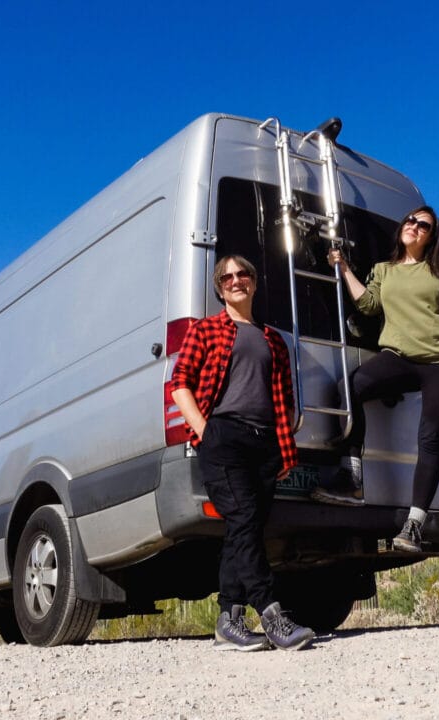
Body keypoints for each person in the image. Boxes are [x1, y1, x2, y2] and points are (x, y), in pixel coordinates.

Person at [311, 206, 439, 552]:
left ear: (431, 236)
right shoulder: (385, 270)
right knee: (351, 387)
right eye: (410, 221)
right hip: (400, 357)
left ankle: (413, 524)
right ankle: (351, 475)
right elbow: (368, 305)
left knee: (429, 440)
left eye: (423, 225)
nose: (413, 226)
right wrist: (344, 268)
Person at [169, 254, 316, 651]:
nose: (236, 280)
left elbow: (283, 398)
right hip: (224, 437)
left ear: (253, 282)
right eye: (228, 276)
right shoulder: (207, 330)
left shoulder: (272, 339)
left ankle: (228, 622)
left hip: (265, 443)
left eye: (243, 274)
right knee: (245, 518)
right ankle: (271, 613)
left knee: (244, 528)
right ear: (220, 288)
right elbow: (179, 383)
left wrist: (284, 445)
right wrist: (205, 432)